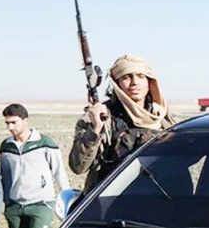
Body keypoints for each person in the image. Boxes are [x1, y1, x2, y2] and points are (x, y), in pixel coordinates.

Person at [70, 55, 175, 193]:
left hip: (158, 198)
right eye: (126, 77)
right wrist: (95, 129)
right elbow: (78, 167)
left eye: (141, 76)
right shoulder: (101, 117)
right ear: (116, 83)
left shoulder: (163, 117)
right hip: (112, 200)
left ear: (150, 82)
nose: (134, 82)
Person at [0, 104, 70, 228]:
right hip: (15, 207)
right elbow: (5, 177)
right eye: (7, 123)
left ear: (25, 120)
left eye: (14, 122)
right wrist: (7, 204)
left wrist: (67, 202)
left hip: (41, 204)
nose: (10, 128)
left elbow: (59, 172)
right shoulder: (6, 146)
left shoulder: (44, 143)